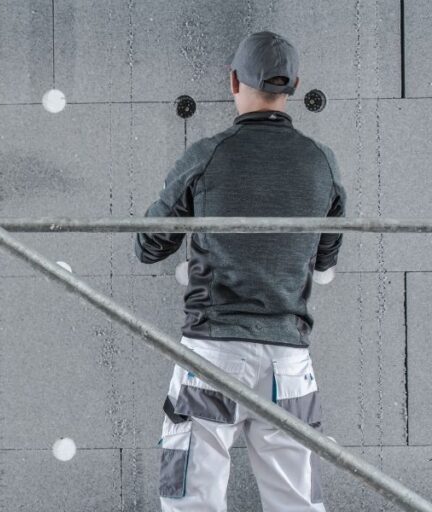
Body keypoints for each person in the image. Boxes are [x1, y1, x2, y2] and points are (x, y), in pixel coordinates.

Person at [135, 31, 346, 511]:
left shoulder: (207, 155)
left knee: (191, 499)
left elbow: (148, 246)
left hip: (213, 358)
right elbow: (325, 257)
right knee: (297, 504)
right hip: (288, 366)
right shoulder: (322, 163)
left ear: (233, 80)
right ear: (293, 84)